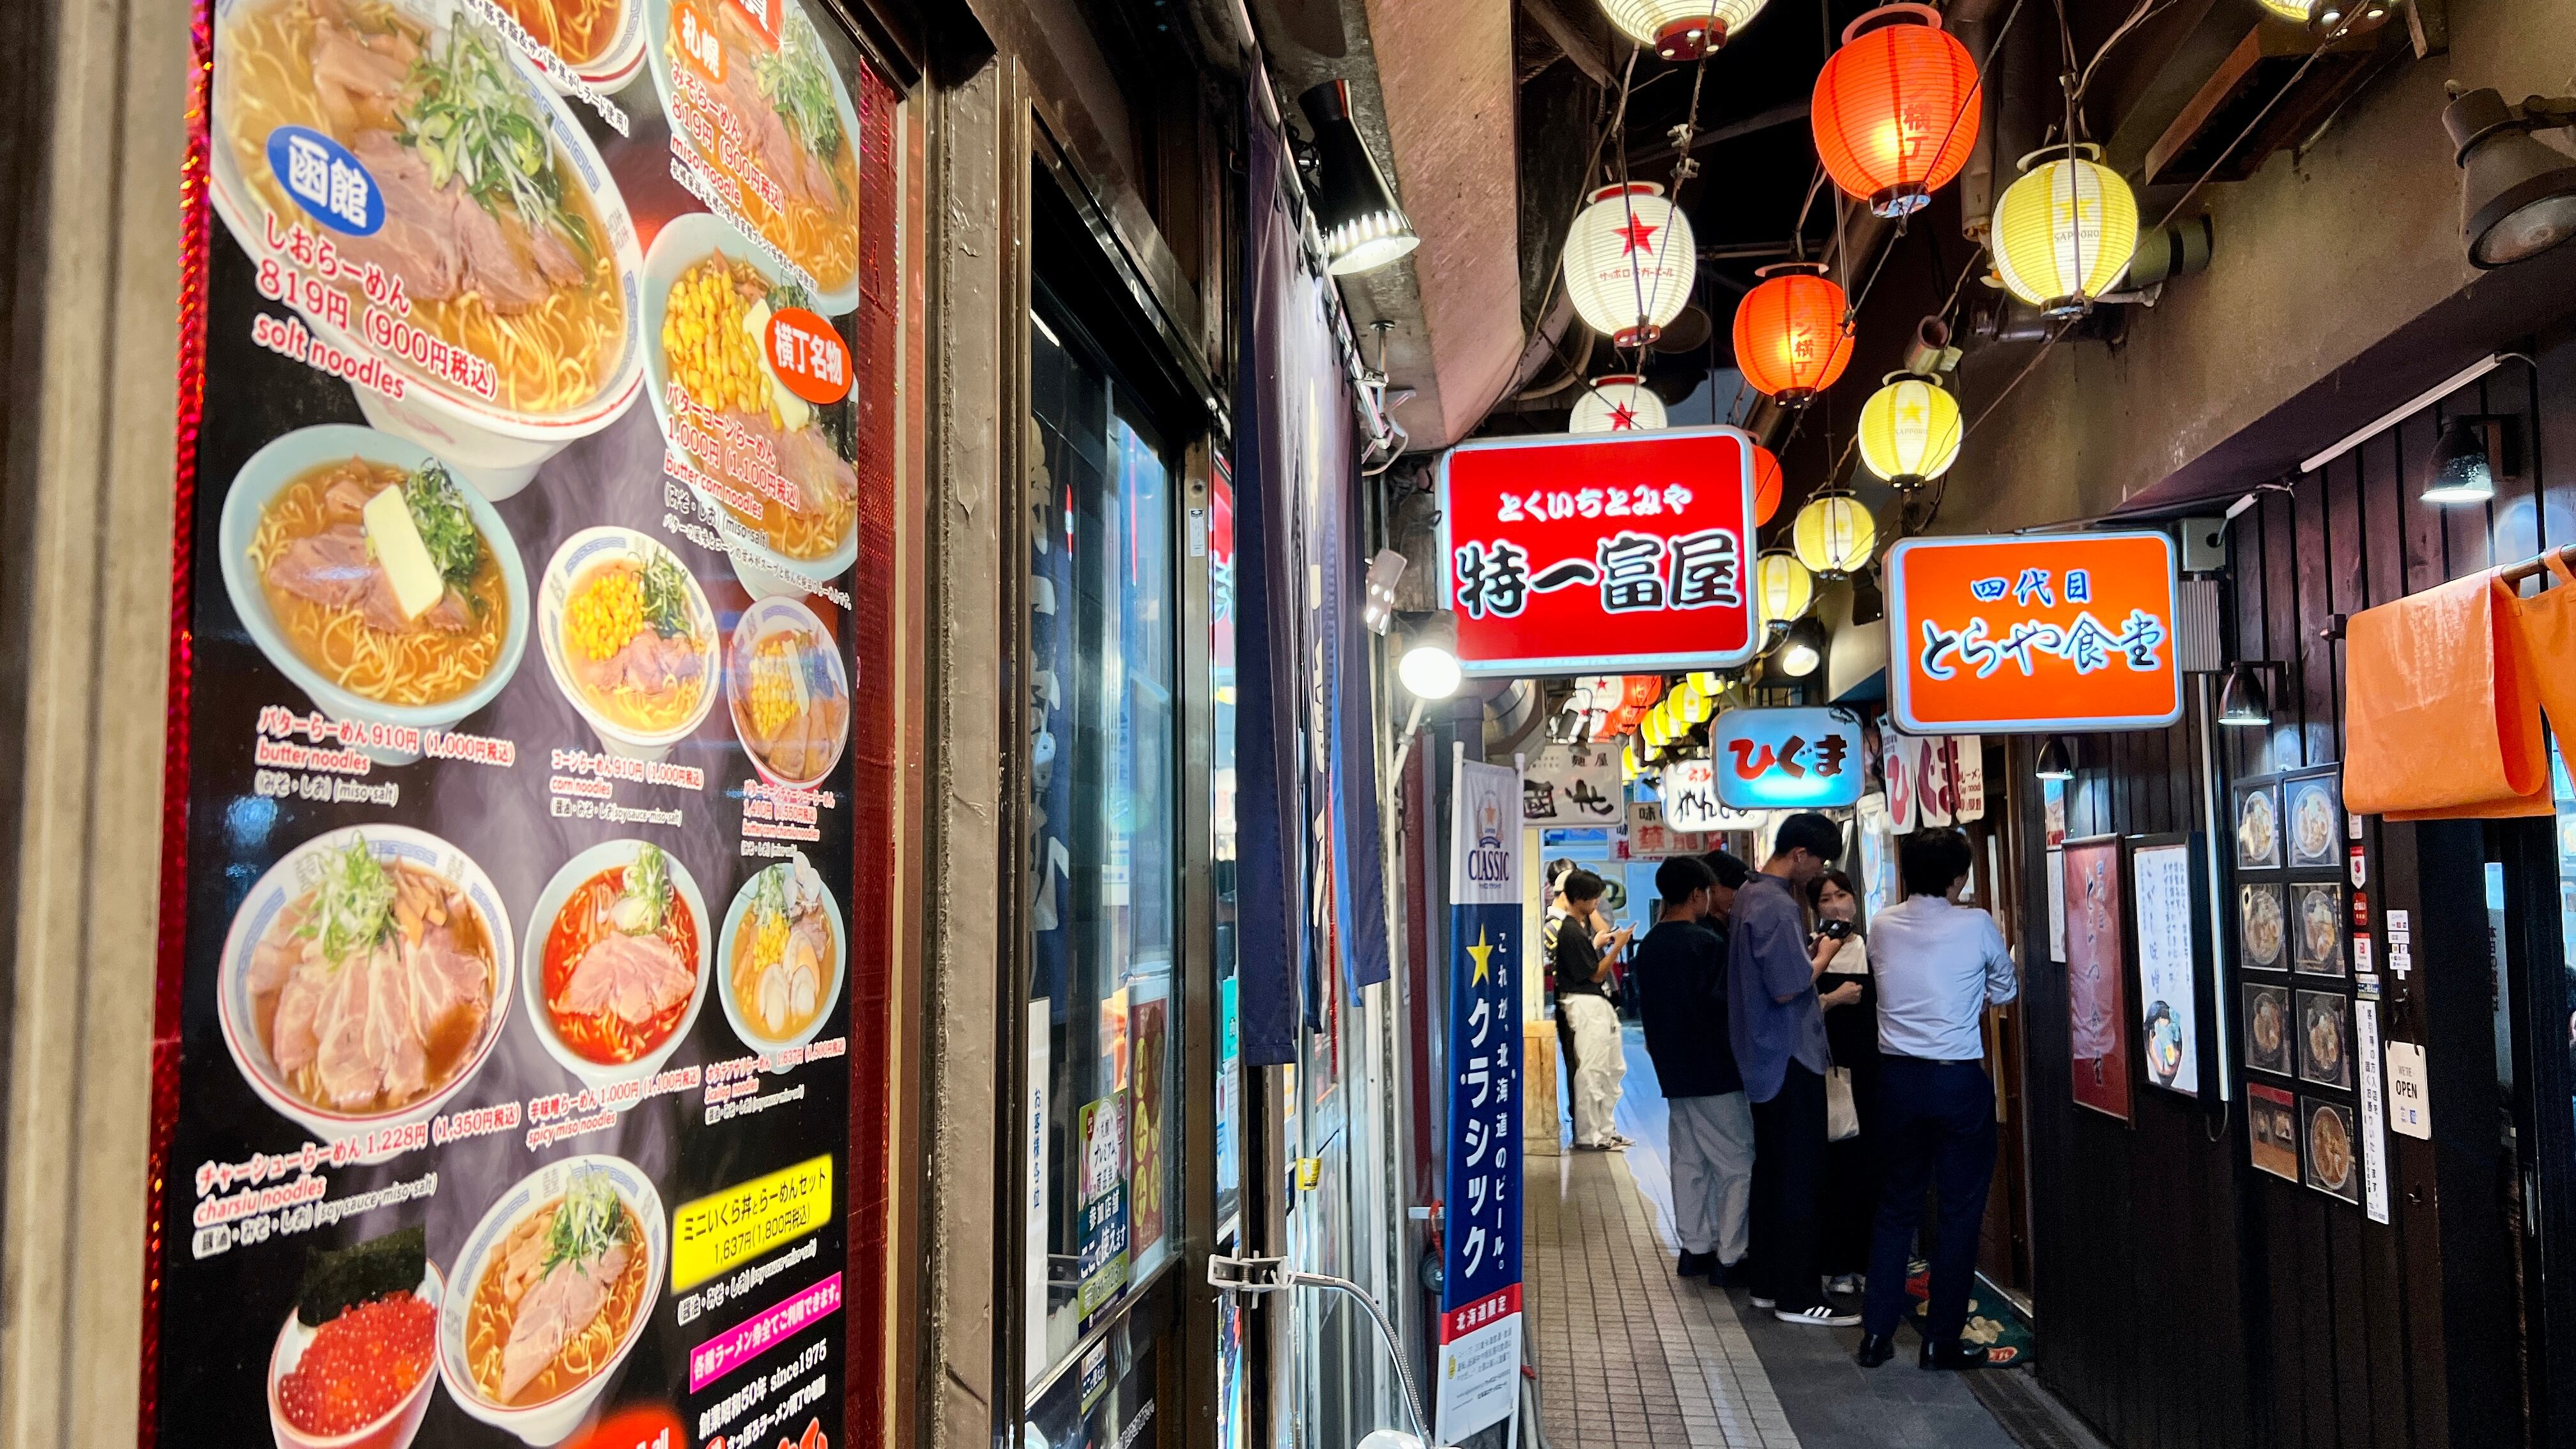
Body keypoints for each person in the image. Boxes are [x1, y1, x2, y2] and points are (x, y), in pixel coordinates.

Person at [1855, 828, 2019, 1371]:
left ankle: (1875, 1336)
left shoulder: (1881, 925)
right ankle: (1939, 1342)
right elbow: (2007, 990)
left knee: (1895, 1209)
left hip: (1896, 1082)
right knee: (1959, 1212)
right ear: (1960, 877)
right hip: (1956, 1081)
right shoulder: (1976, 924)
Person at [1729, 812, 1859, 1327]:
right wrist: (1824, 954)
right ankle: (1798, 1296)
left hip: (1761, 1056)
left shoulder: (1747, 895)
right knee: (1800, 1178)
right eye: (1819, 861)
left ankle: (1768, 1284)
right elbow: (1789, 986)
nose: (1819, 872)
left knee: (1773, 1173)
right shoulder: (1778, 905)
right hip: (1788, 1057)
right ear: (1799, 854)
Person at [1630, 855, 1752, 1281]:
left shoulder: (1650, 945)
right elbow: (1726, 1009)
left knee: (1689, 1160)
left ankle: (1694, 1247)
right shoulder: (1707, 943)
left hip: (1673, 1071)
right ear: (1699, 895)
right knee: (1736, 1163)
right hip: (1715, 1069)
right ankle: (1730, 1256)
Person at [1811, 869, 1875, 1297]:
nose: (1836, 905)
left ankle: (1867, 1262)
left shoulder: (1873, 947)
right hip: (1829, 1071)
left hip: (1873, 1069)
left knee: (1870, 1166)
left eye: (1842, 895)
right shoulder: (1811, 949)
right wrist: (1834, 1000)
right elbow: (1790, 1007)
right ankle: (1834, 1265)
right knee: (1835, 1169)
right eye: (1826, 899)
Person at [1551, 870, 1634, 1149]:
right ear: (1578, 898)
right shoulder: (1570, 931)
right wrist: (1616, 948)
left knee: (1609, 1068)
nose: (1597, 902)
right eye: (1593, 897)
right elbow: (1596, 975)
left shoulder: (1579, 927)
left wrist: (1598, 944)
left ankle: (1605, 1130)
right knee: (1592, 1069)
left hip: (1594, 1004)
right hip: (1584, 1004)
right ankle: (1590, 1135)